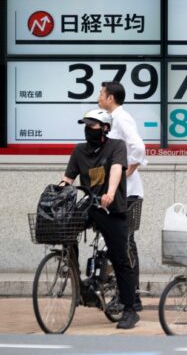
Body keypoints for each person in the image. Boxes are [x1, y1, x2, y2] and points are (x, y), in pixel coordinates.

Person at [61, 109, 139, 329]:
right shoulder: (79, 151)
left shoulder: (117, 146)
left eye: (93, 125)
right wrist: (54, 193)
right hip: (89, 206)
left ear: (105, 128)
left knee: (120, 258)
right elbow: (67, 179)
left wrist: (111, 193)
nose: (88, 129)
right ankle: (80, 286)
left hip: (112, 209)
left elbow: (116, 170)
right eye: (86, 125)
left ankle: (130, 310)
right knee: (64, 229)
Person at [98, 81, 147, 312]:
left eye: (101, 93)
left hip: (128, 194)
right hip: (120, 192)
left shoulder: (121, 117)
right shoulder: (112, 119)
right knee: (124, 244)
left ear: (110, 98)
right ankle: (130, 295)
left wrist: (128, 171)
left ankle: (130, 297)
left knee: (124, 244)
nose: (99, 96)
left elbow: (138, 147)